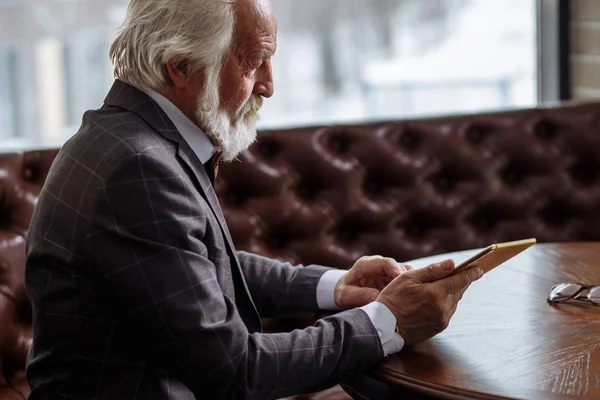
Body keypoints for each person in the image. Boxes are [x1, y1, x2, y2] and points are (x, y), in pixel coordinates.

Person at [24, 0, 482, 399]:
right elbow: (236, 372)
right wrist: (387, 321)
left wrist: (336, 286)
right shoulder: (138, 167)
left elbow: (193, 265)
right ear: (180, 66)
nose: (268, 85)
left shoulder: (127, 138)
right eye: (254, 62)